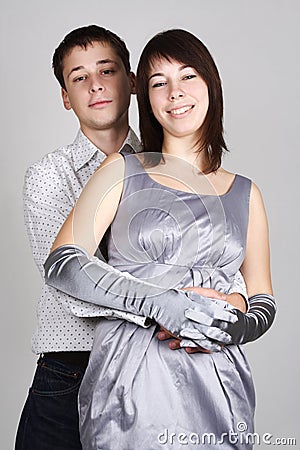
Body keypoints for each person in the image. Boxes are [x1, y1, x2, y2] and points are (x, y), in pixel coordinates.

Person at [16, 25, 247, 450]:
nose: (96, 85)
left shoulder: (168, 167)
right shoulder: (49, 176)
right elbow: (69, 282)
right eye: (78, 77)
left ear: (134, 83)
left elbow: (209, 255)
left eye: (107, 70)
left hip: (161, 368)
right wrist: (171, 306)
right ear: (66, 98)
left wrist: (235, 300)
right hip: (71, 370)